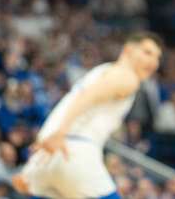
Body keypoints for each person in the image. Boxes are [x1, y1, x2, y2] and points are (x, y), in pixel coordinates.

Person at [11, 32, 163, 199]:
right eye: (147, 52)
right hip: (74, 150)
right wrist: (61, 132)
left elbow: (70, 104)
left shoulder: (102, 70)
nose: (153, 62)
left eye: (157, 58)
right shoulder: (127, 76)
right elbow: (86, 98)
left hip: (48, 153)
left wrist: (36, 160)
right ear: (128, 49)